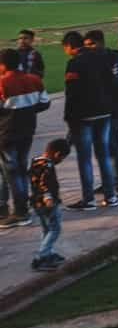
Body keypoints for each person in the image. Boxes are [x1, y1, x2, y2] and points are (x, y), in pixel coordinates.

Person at [60, 31, 116, 209]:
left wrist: (69, 116)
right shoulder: (101, 58)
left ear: (69, 46)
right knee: (103, 156)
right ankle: (111, 195)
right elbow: (111, 83)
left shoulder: (74, 63)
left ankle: (89, 199)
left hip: (83, 115)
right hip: (104, 112)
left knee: (84, 158)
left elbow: (72, 93)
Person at [0, 48, 48, 227]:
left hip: (6, 134)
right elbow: (44, 103)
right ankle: (4, 208)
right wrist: (26, 111)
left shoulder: (2, 83)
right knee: (15, 169)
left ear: (3, 65)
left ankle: (20, 212)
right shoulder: (34, 80)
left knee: (13, 173)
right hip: (27, 131)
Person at [83, 29, 118, 200]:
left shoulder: (116, 57)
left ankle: (117, 184)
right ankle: (108, 181)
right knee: (101, 146)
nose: (89, 48)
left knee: (111, 144)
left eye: (92, 44)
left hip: (115, 107)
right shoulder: (88, 61)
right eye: (86, 45)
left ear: (101, 42)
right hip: (98, 109)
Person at [30, 138, 71, 270]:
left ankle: (49, 253)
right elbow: (44, 182)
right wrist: (48, 197)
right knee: (55, 229)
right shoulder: (47, 166)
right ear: (57, 154)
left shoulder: (35, 161)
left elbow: (33, 180)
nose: (60, 161)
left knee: (46, 229)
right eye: (62, 158)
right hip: (47, 202)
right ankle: (41, 257)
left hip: (36, 202)